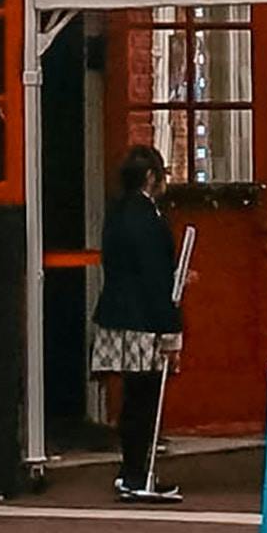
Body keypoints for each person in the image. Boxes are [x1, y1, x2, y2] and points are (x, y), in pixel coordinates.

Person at [90, 132, 193, 503]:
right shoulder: (150, 220)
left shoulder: (117, 213)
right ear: (151, 177)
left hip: (116, 313)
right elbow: (154, 279)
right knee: (147, 399)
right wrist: (172, 330)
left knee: (133, 398)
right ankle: (139, 472)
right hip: (145, 321)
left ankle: (130, 470)